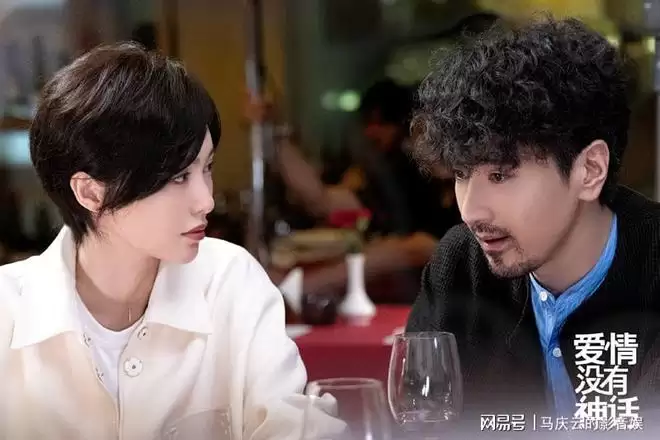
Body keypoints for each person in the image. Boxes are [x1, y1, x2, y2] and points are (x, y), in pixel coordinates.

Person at [0, 43, 343, 440]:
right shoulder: (8, 311)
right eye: (178, 177)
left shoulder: (229, 281)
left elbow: (293, 425)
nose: (206, 200)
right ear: (90, 192)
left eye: (206, 167)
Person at [406, 17, 660, 434]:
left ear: (589, 170)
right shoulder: (459, 266)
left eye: (501, 175)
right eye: (461, 174)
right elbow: (420, 421)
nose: (471, 211)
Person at [247, 81, 461, 302]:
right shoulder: (403, 172)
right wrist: (275, 134)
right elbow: (322, 201)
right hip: (409, 297)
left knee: (413, 246)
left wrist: (304, 285)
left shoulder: (471, 182)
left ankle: (295, 288)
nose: (370, 132)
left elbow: (422, 247)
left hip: (457, 300)